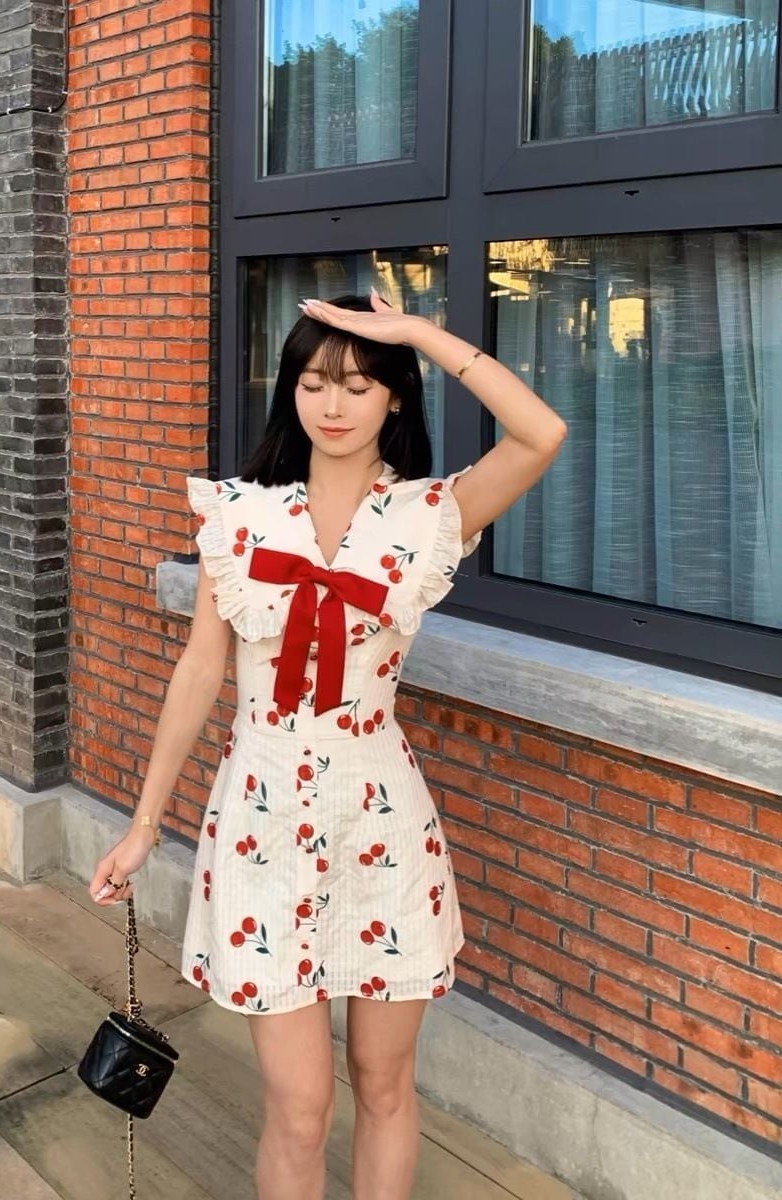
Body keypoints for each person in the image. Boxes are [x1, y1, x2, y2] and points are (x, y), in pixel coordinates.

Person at [89, 289, 567, 1199]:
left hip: (382, 825)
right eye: (313, 382)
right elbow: (199, 671)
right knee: (300, 1108)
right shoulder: (239, 516)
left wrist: (418, 333)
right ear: (290, 392)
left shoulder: (431, 514)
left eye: (357, 384)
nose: (332, 405)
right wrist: (144, 825)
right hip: (260, 826)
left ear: (395, 396)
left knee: (384, 1085)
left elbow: (541, 433)